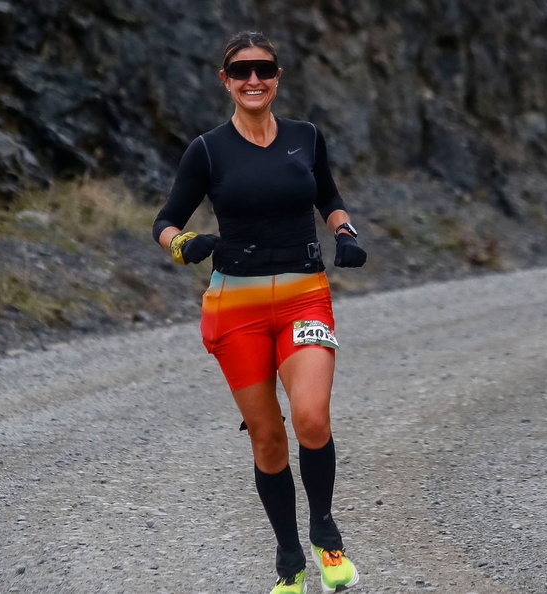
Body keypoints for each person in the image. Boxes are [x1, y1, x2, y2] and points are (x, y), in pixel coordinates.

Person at [152, 30, 367, 594]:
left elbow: (329, 197)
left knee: (311, 418)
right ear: (225, 80)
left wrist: (344, 233)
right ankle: (290, 562)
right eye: (242, 71)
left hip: (304, 295)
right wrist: (184, 244)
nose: (254, 79)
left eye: (264, 69)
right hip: (236, 307)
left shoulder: (306, 137)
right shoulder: (207, 150)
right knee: (268, 438)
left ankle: (326, 533)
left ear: (277, 77)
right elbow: (165, 221)